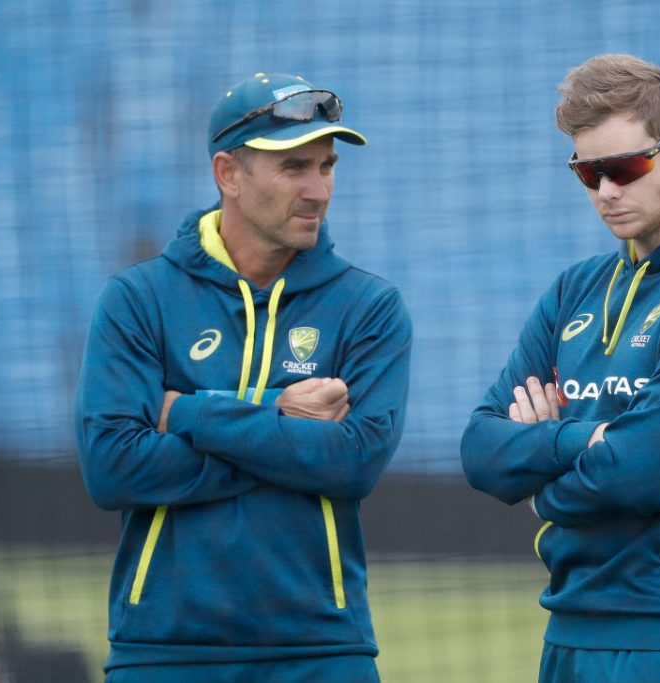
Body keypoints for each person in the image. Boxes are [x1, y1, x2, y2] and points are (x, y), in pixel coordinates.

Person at [460, 54, 660, 682]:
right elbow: (480, 450)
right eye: (587, 172)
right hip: (571, 623)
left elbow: (642, 470)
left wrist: (541, 486)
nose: (607, 191)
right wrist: (590, 439)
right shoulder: (574, 291)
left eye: (626, 166)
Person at [75, 72, 411, 683]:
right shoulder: (138, 298)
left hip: (323, 653)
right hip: (162, 653)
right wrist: (279, 422)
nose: (318, 190)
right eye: (294, 168)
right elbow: (113, 466)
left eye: (328, 166)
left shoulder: (369, 307)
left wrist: (186, 414)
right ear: (228, 174)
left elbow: (350, 464)